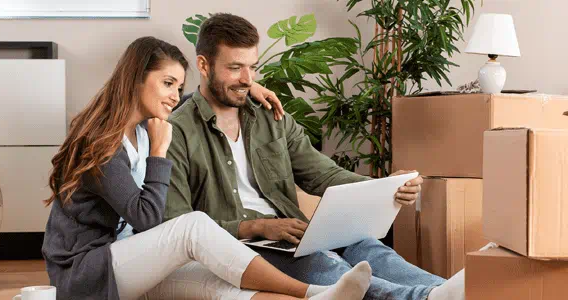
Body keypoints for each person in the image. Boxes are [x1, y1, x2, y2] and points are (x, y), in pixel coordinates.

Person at [41, 36, 373, 300]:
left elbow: (199, 101)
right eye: (167, 83)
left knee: (218, 285)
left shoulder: (144, 127)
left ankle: (320, 299)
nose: (174, 96)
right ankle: (310, 292)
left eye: (178, 86)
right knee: (192, 226)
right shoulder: (104, 143)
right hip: (87, 275)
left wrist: (245, 87)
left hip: (130, 262)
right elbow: (148, 219)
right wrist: (159, 153)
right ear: (136, 79)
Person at [164, 14, 465, 300]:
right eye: (234, 68)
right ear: (204, 66)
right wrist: (256, 227)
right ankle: (426, 296)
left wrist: (385, 186)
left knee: (369, 247)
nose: (247, 79)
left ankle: (448, 290)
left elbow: (323, 174)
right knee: (327, 265)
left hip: (289, 235)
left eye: (252, 68)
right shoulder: (176, 132)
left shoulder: (270, 117)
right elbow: (177, 224)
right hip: (238, 246)